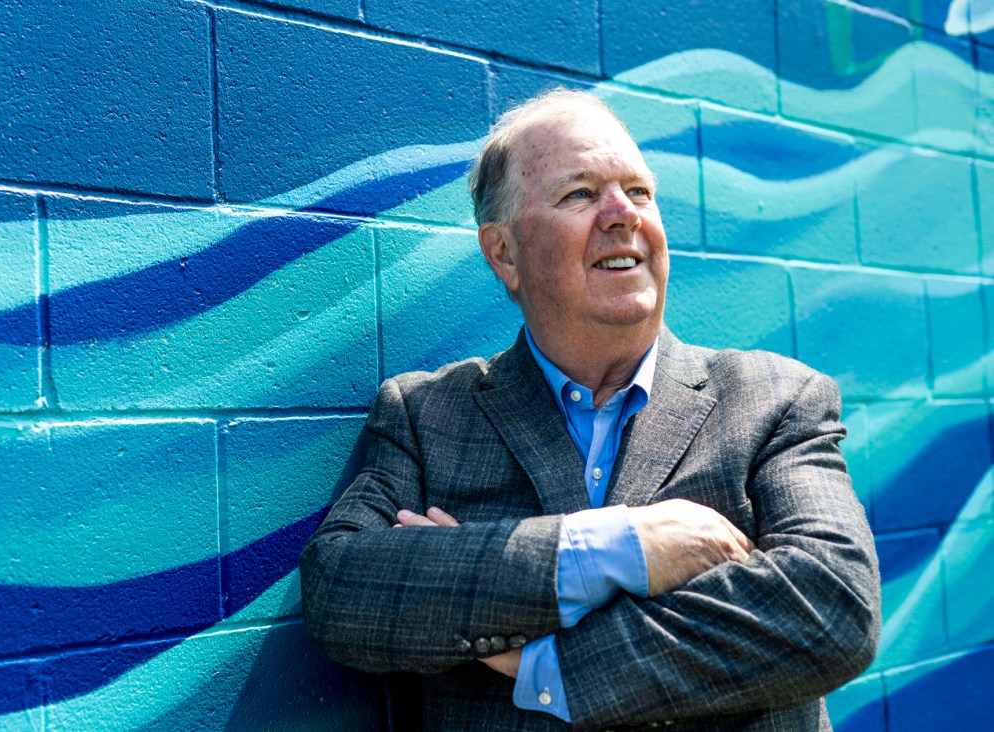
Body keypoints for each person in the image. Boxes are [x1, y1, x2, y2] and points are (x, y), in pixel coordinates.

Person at [299, 89, 880, 731]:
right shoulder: (425, 414)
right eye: (580, 194)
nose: (622, 215)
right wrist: (617, 549)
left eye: (639, 191)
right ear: (504, 254)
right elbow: (342, 592)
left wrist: (540, 661)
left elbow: (833, 609)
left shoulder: (775, 399)